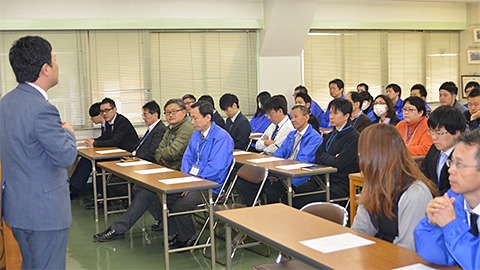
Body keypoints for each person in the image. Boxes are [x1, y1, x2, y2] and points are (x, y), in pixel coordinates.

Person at [0, 35, 77, 269]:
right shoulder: (43, 109)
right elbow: (65, 156)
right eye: (54, 59)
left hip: (17, 208)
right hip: (45, 214)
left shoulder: (6, 102)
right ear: (45, 69)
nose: (57, 65)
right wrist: (69, 132)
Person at [93, 99, 193, 242]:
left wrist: (162, 155)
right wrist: (163, 155)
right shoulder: (171, 128)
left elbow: (171, 152)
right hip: (167, 171)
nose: (170, 115)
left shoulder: (185, 129)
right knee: (141, 189)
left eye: (174, 112)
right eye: (168, 112)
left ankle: (118, 228)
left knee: (145, 191)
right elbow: (160, 152)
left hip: (177, 174)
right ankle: (164, 223)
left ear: (184, 112)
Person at [352, 124, 437, 251]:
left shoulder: (415, 193)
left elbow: (408, 249)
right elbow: (360, 231)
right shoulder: (374, 184)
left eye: (363, 151)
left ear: (379, 154)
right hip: (381, 256)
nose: (359, 155)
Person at [168, 101, 234, 249]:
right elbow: (187, 158)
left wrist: (192, 184)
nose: (192, 122)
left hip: (211, 185)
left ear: (208, 117)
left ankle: (189, 237)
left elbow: (215, 168)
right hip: (193, 181)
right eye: (191, 118)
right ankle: (180, 232)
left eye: (195, 118)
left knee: (180, 205)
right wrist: (186, 180)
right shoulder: (196, 135)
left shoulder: (221, 137)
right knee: (165, 196)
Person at [414, 129, 480, 269]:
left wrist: (451, 225)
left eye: (460, 165)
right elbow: (437, 256)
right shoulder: (454, 198)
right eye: (452, 162)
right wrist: (431, 225)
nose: (451, 170)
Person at [237, 105, 322, 209]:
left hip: (298, 176)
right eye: (291, 117)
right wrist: (273, 171)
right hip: (282, 173)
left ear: (306, 117)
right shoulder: (292, 134)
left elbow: (302, 161)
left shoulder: (314, 137)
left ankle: (274, 219)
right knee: (245, 182)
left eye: (296, 117)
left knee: (272, 191)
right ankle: (256, 210)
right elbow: (279, 154)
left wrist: (278, 175)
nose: (293, 120)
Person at [70, 97, 139, 201]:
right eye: (102, 111)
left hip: (128, 156)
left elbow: (115, 141)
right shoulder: (110, 122)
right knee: (90, 160)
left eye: (107, 110)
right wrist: (93, 141)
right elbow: (106, 138)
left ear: (115, 109)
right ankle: (96, 195)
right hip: (116, 153)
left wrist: (96, 143)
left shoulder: (121, 122)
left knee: (96, 163)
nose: (104, 113)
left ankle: (99, 196)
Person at [315, 99, 359, 200]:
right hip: (323, 178)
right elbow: (317, 156)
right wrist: (330, 158)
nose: (331, 116)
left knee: (304, 198)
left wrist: (325, 156)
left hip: (341, 182)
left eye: (335, 113)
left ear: (346, 116)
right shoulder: (331, 134)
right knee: (296, 191)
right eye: (330, 112)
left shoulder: (353, 136)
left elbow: (339, 163)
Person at [421, 106, 466, 195]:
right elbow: (423, 174)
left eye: (439, 133)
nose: (434, 137)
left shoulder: (464, 155)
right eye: (432, 131)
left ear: (456, 133)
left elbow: (458, 189)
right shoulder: (434, 149)